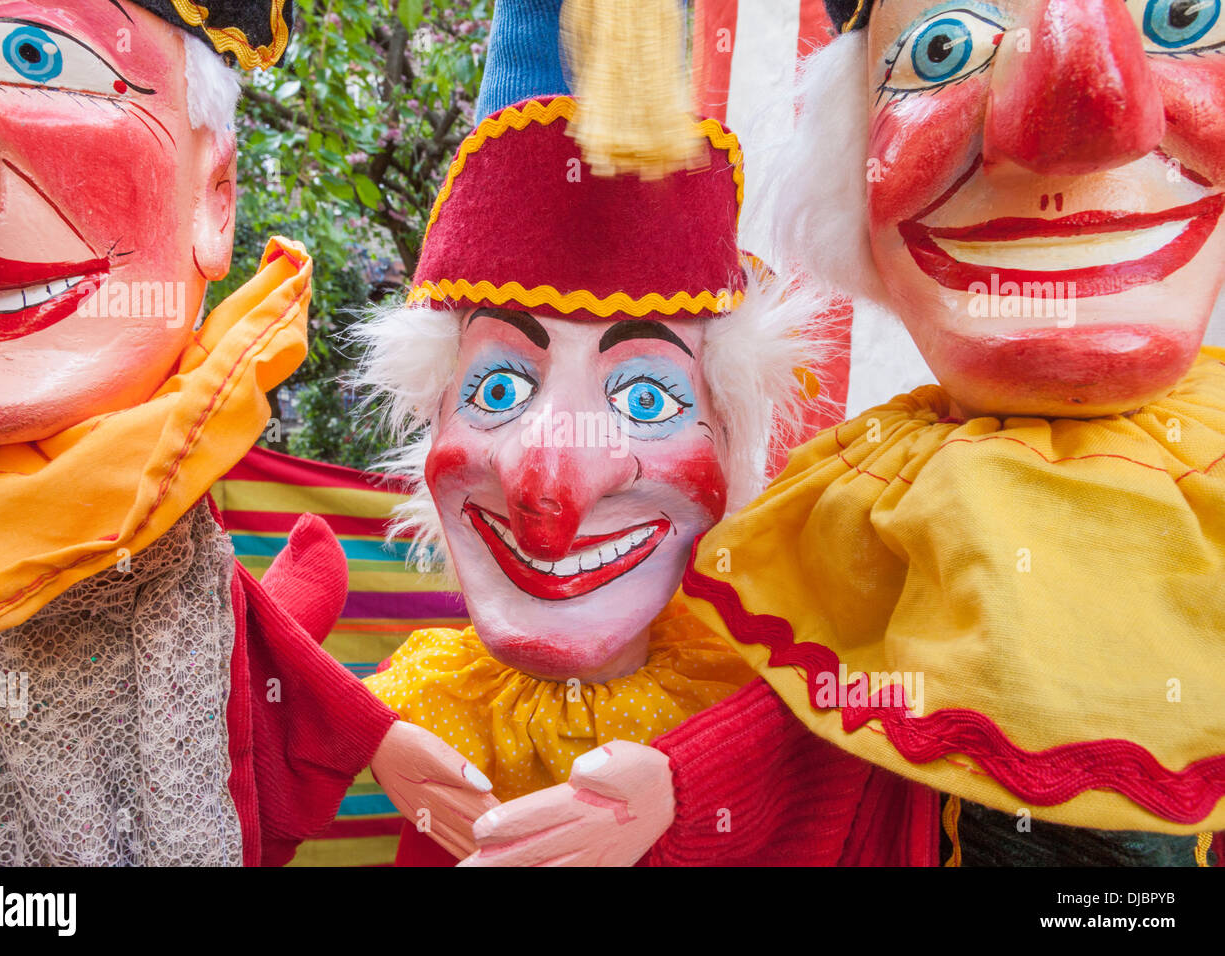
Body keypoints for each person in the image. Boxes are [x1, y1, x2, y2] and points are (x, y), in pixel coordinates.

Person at [466, 0, 1225, 866]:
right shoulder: (877, 487)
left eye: (1182, 16)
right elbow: (832, 699)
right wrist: (685, 784)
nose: (1086, 116)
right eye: (944, 51)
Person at [0, 0, 493, 866]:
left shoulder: (163, 486)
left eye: (35, 56)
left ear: (216, 201)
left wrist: (376, 738)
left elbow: (233, 628)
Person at [352, 0, 824, 865]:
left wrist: (689, 782)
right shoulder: (440, 699)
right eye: (498, 385)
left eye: (646, 400)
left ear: (727, 436)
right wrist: (366, 730)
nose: (548, 482)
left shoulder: (751, 692)